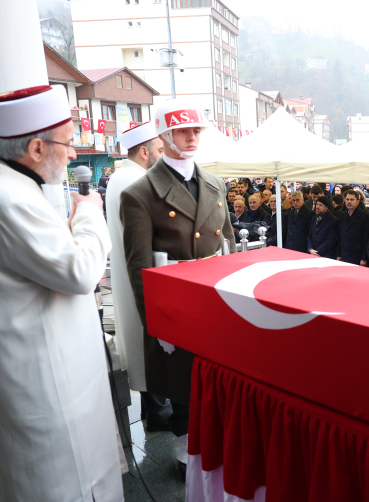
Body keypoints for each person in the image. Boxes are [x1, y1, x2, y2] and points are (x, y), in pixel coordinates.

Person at [0, 84, 123, 501]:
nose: (74, 155)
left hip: (58, 361)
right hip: (44, 375)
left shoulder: (18, 189)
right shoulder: (10, 198)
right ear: (36, 148)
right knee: (63, 480)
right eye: (68, 143)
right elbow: (79, 272)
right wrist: (89, 216)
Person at [120, 100, 235, 471]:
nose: (191, 137)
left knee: (218, 374)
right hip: (176, 301)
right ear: (164, 136)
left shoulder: (215, 183)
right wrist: (157, 321)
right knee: (184, 381)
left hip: (215, 294)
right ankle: (185, 443)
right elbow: (138, 267)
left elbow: (228, 245)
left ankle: (216, 436)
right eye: (183, 131)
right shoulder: (140, 194)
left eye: (196, 130)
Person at [106, 122, 172, 431]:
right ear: (144, 152)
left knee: (141, 342)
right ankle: (157, 413)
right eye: (160, 150)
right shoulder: (138, 181)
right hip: (142, 276)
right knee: (151, 343)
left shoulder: (119, 177)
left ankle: (151, 410)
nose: (163, 155)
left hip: (127, 273)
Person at [338, 189, 369, 265]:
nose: (349, 201)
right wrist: (338, 254)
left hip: (357, 256)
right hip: (344, 254)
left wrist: (364, 258)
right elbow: (340, 235)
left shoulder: (365, 216)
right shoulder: (342, 215)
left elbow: (367, 238)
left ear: (358, 201)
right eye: (347, 199)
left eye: (352, 199)